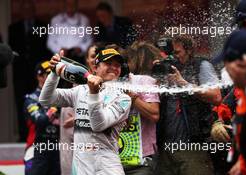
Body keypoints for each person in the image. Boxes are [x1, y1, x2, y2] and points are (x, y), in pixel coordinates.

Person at [39, 48, 131, 175]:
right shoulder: (80, 90)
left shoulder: (123, 98)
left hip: (107, 167)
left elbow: (98, 125)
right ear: (95, 68)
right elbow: (45, 99)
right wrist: (54, 72)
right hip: (81, 167)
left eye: (117, 65)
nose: (114, 68)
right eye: (108, 63)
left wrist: (94, 93)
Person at [155, 35, 221, 175]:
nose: (174, 57)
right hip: (165, 148)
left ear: (189, 50)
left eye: (177, 53)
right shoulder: (166, 68)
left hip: (193, 147)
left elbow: (216, 96)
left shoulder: (200, 65)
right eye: (170, 53)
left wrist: (184, 84)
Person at [215, 29, 246, 175]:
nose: (226, 70)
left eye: (227, 62)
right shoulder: (244, 91)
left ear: (243, 62)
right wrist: (243, 164)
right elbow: (223, 110)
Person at [8, 0, 51, 141]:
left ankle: (40, 133)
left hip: (38, 72)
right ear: (21, 12)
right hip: (20, 73)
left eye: (29, 9)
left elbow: (45, 50)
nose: (27, 12)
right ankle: (23, 135)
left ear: (34, 11)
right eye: (24, 9)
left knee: (41, 100)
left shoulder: (42, 26)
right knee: (21, 103)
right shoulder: (13, 28)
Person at [120, 41, 160, 175]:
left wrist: (131, 96)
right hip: (114, 159)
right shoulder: (105, 84)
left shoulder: (145, 81)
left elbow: (154, 114)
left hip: (141, 159)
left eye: (118, 63)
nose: (115, 68)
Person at [23, 61, 60, 175]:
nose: (53, 78)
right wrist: (55, 109)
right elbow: (40, 120)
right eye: (49, 74)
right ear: (39, 76)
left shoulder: (62, 96)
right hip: (36, 148)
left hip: (58, 149)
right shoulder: (31, 98)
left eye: (55, 75)